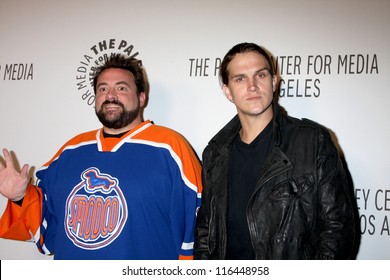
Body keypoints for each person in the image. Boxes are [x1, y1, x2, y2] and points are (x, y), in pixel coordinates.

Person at [0, 54, 202, 260]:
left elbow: (198, 230)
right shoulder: (71, 150)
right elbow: (47, 226)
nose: (110, 95)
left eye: (121, 88)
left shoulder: (170, 147)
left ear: (142, 97)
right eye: (103, 89)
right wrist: (20, 197)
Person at [194, 42, 355, 260]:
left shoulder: (312, 141)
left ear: (273, 81)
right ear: (227, 91)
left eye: (260, 75)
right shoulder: (215, 153)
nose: (252, 86)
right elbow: (206, 231)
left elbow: (338, 230)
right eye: (240, 78)